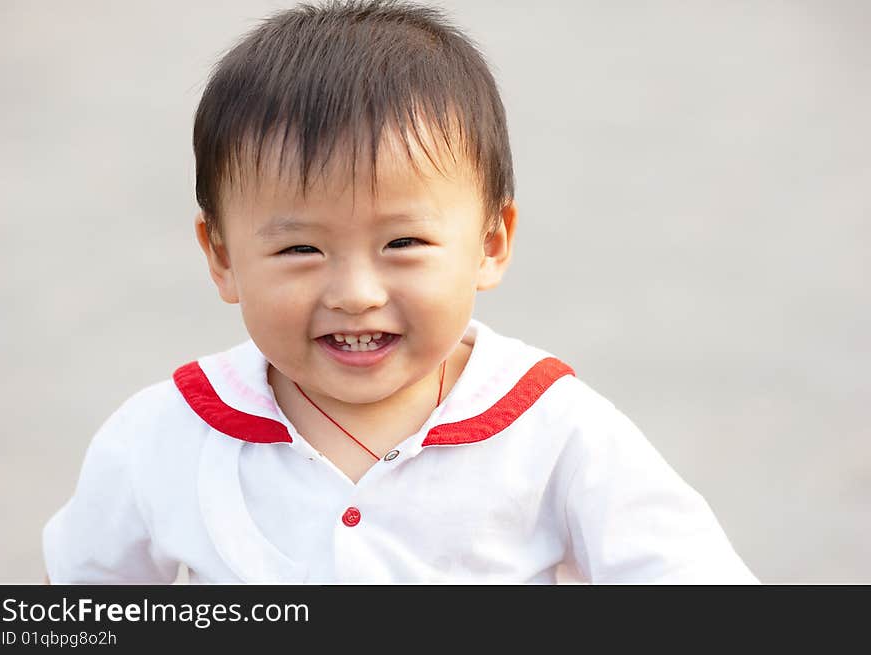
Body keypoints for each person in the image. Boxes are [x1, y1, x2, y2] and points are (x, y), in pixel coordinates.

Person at [43, 0, 758, 584]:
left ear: (491, 242)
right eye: (300, 249)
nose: (356, 293)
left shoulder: (551, 428)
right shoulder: (171, 433)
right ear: (222, 256)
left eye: (403, 243)